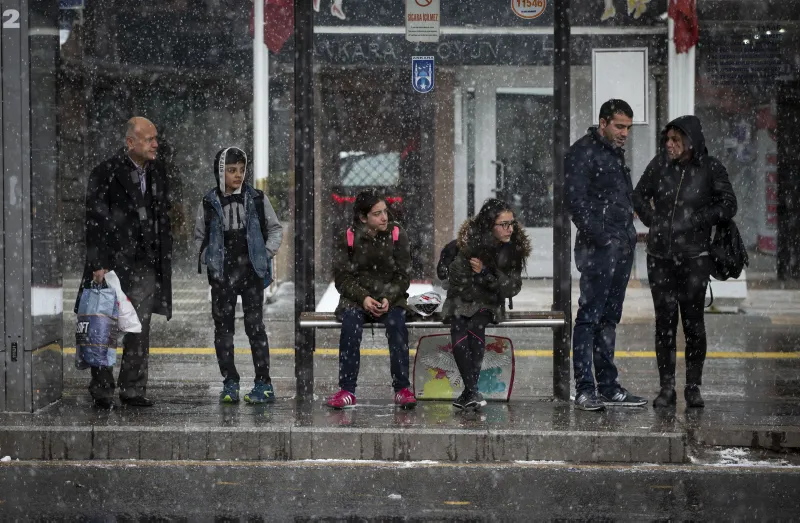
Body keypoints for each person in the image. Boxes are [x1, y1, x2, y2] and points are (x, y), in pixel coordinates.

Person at [633, 116, 737, 409]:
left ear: (691, 142)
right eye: (667, 139)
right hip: (660, 258)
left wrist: (697, 220)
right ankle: (667, 388)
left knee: (693, 324)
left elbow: (729, 204)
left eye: (676, 140)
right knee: (664, 323)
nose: (669, 145)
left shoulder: (710, 167)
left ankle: (693, 387)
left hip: (694, 258)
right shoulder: (659, 165)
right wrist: (654, 222)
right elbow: (638, 195)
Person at [77, 117, 172, 409]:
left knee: (139, 326)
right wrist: (98, 263)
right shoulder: (105, 172)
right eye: (149, 139)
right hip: (112, 264)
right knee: (104, 323)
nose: (156, 144)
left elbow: (163, 217)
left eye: (156, 138)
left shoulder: (159, 172)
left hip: (145, 261)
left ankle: (132, 387)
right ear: (131, 142)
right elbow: (94, 221)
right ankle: (102, 388)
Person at [565, 99, 647, 411]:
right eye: (619, 126)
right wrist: (601, 239)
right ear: (603, 123)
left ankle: (608, 386)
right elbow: (574, 201)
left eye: (628, 127)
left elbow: (616, 201)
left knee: (609, 318)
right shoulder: (584, 151)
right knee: (589, 317)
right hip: (599, 249)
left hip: (620, 246)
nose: (625, 132)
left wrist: (625, 237)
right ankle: (586, 388)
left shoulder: (613, 154)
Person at [194, 147, 283, 404]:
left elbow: (275, 229)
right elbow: (200, 237)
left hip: (251, 272)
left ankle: (263, 382)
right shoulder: (209, 202)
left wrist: (264, 254)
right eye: (232, 170)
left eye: (242, 170)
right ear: (220, 172)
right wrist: (209, 258)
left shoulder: (256, 198)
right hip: (222, 274)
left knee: (255, 328)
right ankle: (230, 381)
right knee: (223, 329)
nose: (238, 176)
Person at [326, 190, 416, 410]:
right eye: (377, 214)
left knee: (397, 326)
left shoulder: (397, 233)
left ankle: (402, 389)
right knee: (350, 326)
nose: (384, 217)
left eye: (385, 211)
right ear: (363, 217)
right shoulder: (347, 236)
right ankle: (347, 390)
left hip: (391, 297)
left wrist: (388, 297)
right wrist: (363, 297)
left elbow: (403, 275)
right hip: (356, 298)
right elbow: (342, 278)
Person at [442, 199, 530, 411]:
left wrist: (485, 274)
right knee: (458, 324)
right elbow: (455, 278)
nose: (510, 229)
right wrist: (475, 290)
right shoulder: (470, 243)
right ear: (490, 226)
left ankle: (470, 391)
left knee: (476, 323)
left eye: (512, 223)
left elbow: (511, 287)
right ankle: (471, 391)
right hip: (462, 299)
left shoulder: (513, 249)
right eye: (504, 224)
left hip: (490, 303)